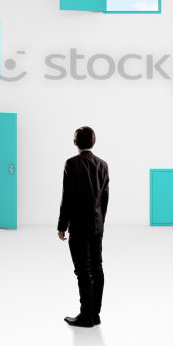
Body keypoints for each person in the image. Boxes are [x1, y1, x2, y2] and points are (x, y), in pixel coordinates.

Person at [57, 126, 110, 327]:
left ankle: (85, 315)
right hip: (97, 225)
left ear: (75, 142)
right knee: (97, 268)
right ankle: (95, 314)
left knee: (82, 270)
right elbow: (105, 199)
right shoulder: (103, 165)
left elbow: (67, 198)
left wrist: (62, 225)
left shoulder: (71, 164)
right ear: (93, 142)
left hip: (79, 226)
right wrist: (101, 222)